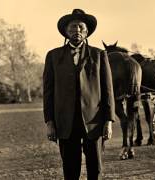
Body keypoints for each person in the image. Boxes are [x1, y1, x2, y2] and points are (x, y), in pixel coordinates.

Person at [43, 9, 115, 180]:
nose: (77, 31)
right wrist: (50, 122)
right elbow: (48, 92)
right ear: (66, 32)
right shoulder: (53, 56)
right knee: (70, 169)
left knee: (94, 168)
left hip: (93, 121)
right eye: (72, 27)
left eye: (81, 27)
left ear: (87, 31)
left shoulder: (99, 55)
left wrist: (109, 121)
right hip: (65, 122)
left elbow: (108, 90)